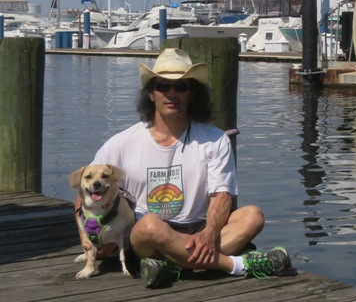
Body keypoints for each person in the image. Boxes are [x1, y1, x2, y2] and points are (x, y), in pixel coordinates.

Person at [83, 47, 293, 288]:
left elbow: (222, 196)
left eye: (181, 87)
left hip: (200, 230)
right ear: (151, 94)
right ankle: (238, 265)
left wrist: (210, 233)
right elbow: (85, 189)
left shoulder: (215, 139)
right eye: (163, 86)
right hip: (148, 234)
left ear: (192, 94)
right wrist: (87, 236)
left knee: (253, 216)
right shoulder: (121, 142)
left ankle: (171, 265)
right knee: (151, 225)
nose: (172, 94)